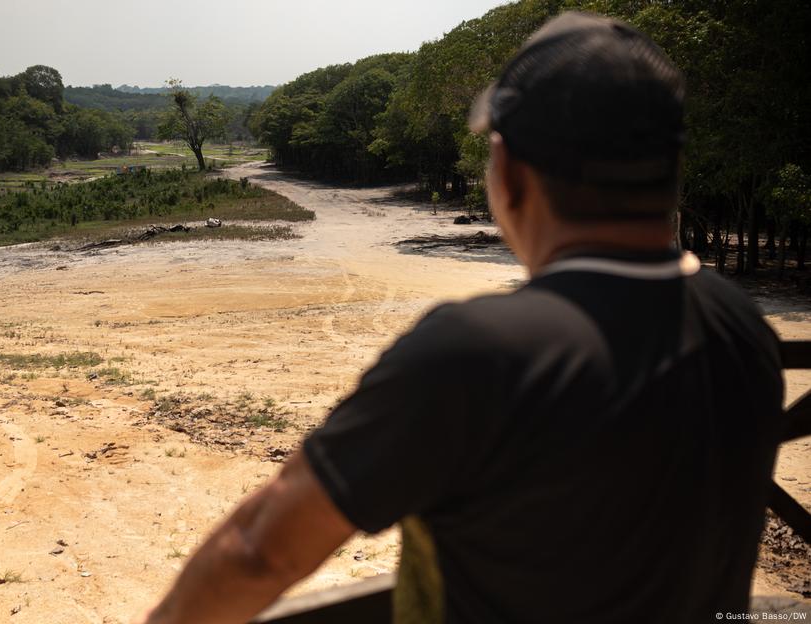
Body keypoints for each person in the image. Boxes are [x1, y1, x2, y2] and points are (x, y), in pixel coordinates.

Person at [135, 11, 784, 624]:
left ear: (509, 171)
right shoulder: (741, 326)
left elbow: (259, 552)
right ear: (672, 168)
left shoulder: (477, 355)